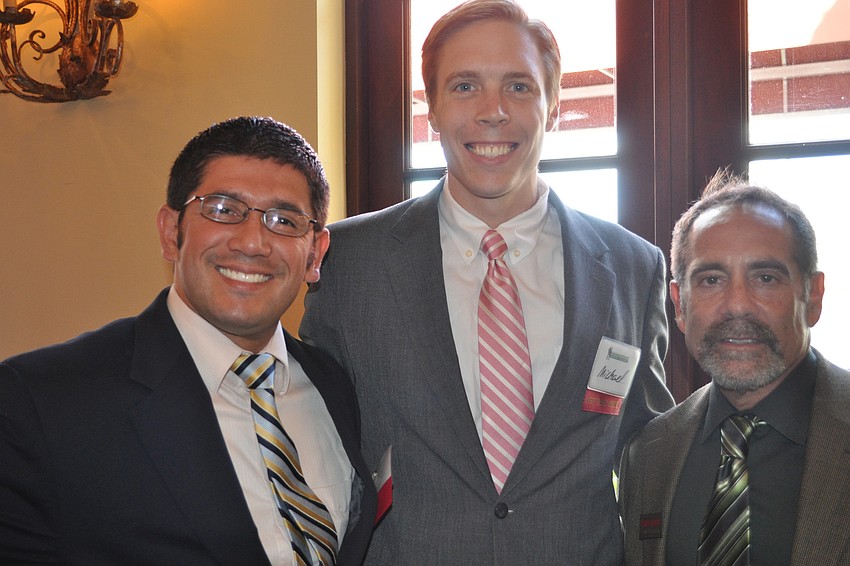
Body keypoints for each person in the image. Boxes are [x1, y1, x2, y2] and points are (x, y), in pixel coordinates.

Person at [299, 1, 673, 563]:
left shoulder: (632, 267)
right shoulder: (347, 262)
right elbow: (314, 445)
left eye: (519, 87)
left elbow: (651, 456)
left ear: (553, 107)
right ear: (433, 108)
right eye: (466, 86)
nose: (493, 111)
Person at [0, 116, 377, 566]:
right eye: (223, 209)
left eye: (284, 220)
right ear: (170, 232)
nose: (253, 242)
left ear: (314, 254)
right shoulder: (39, 401)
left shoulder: (334, 383)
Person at [619, 171, 850, 565]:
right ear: (679, 304)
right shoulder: (649, 454)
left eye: (765, 278)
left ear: (813, 297)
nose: (738, 304)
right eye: (711, 280)